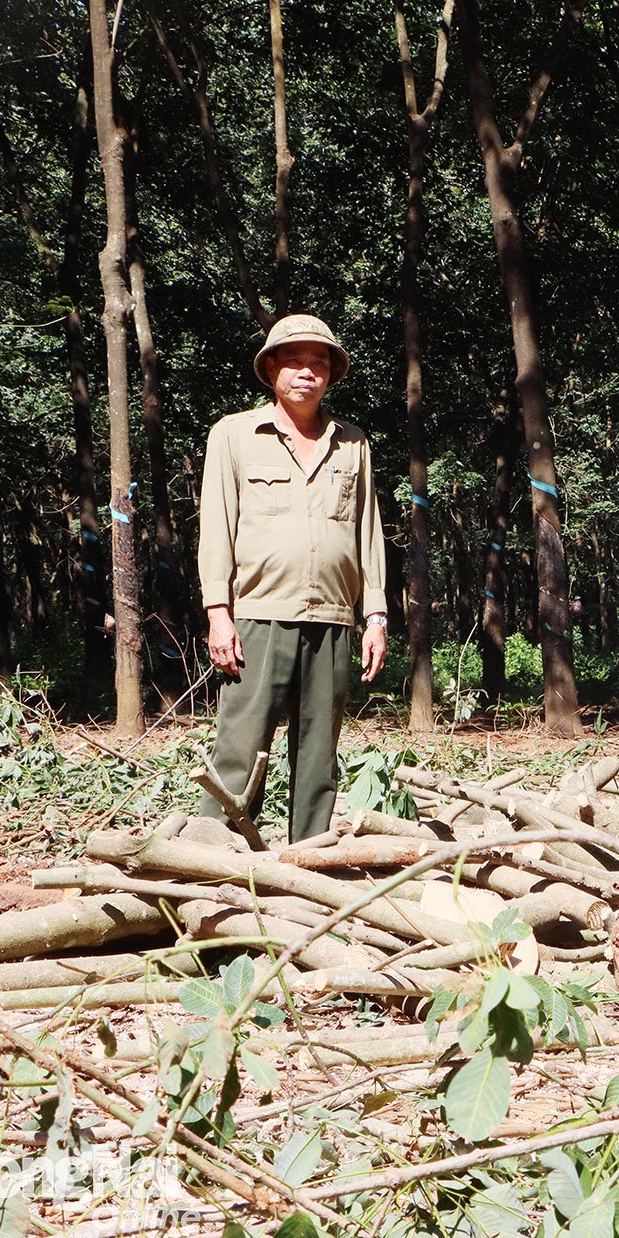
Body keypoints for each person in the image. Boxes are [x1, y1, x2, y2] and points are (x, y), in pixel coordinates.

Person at [196, 314, 388, 844]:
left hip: (332, 618)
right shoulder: (234, 435)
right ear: (272, 367)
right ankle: (212, 863)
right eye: (295, 359)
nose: (308, 371)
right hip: (257, 616)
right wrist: (219, 614)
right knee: (239, 750)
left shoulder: (353, 443)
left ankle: (308, 863)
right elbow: (217, 528)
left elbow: (366, 531)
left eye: (319, 361)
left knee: (318, 759)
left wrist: (375, 616)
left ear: (331, 373)